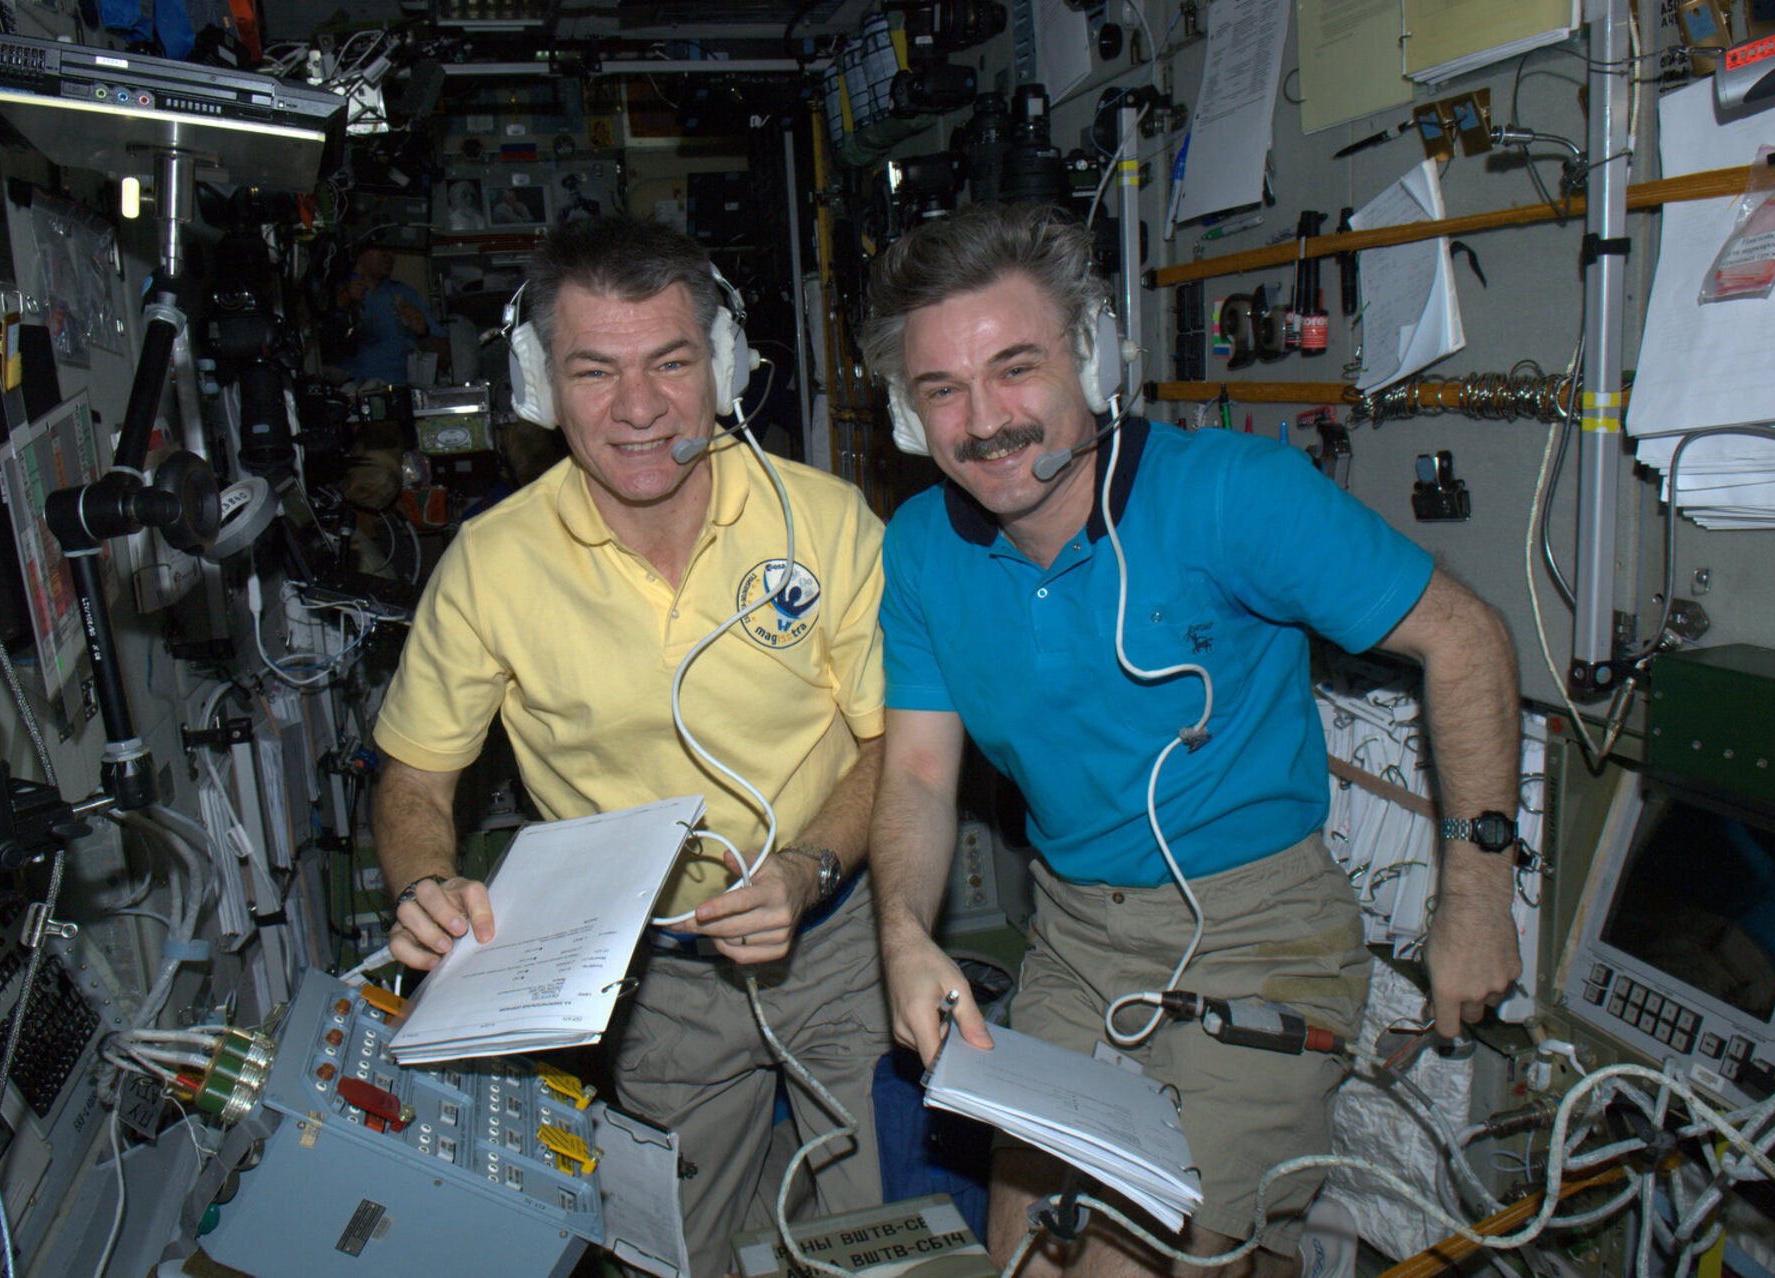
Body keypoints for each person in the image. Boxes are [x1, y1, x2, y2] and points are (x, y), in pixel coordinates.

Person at [859, 202, 1522, 1278]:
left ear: (1094, 356)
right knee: (1023, 1255)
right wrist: (900, 932)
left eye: (1017, 368)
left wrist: (1479, 898)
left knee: (1134, 1264)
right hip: (1075, 940)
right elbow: (924, 777)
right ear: (907, 413)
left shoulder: (1231, 496)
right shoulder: (925, 547)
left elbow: (1466, 637)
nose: (986, 420)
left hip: (1261, 936)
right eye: (943, 389)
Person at [371, 217, 891, 1278]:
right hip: (649, 971)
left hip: (837, 935)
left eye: (671, 362)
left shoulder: (827, 522)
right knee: (679, 1258)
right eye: (594, 371)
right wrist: (425, 879)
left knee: (881, 1240)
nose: (641, 408)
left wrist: (809, 867)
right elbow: (418, 775)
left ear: (725, 367)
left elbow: (896, 748)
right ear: (539, 385)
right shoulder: (492, 565)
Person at [337, 245, 445, 384]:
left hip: (398, 391)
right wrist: (346, 305)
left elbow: (445, 359)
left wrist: (423, 333)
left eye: (391, 248)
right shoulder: (337, 295)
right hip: (350, 390)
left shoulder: (405, 295)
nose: (388, 255)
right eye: (380, 247)